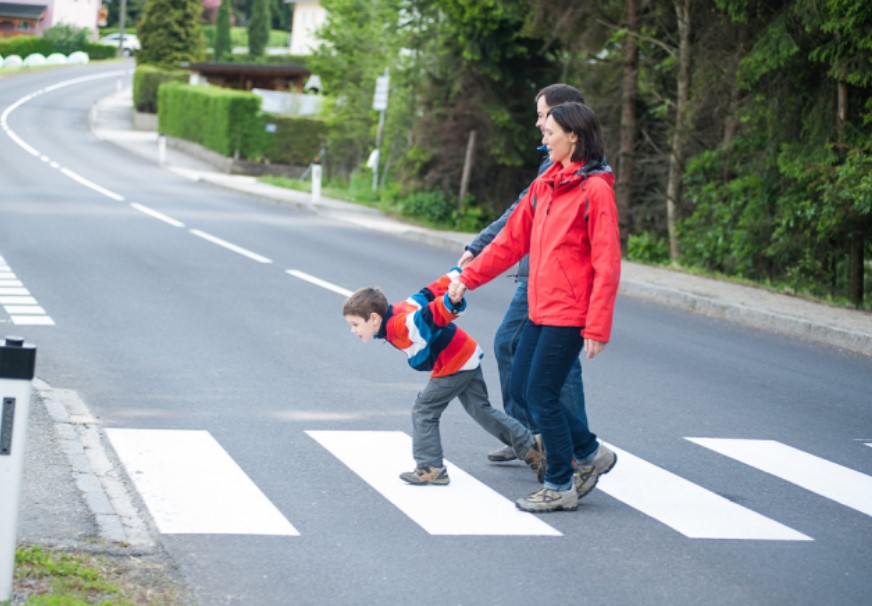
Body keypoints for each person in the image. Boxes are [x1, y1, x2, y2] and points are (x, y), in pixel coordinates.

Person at [450, 103, 621, 512]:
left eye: (550, 133)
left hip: (569, 310)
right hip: (539, 305)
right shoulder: (547, 183)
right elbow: (511, 241)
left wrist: (597, 326)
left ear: (573, 136)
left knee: (542, 394)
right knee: (528, 388)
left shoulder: (594, 189)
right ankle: (590, 450)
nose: (543, 138)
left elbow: (607, 263)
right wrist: (467, 278)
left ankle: (561, 483)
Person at [342, 268, 544, 486]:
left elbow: (429, 314)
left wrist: (450, 301)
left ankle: (430, 467)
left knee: (424, 410)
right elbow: (429, 292)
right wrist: (458, 273)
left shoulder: (400, 325)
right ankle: (531, 446)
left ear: (373, 318)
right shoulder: (402, 309)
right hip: (465, 353)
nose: (353, 330)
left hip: (454, 362)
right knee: (481, 410)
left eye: (355, 324)